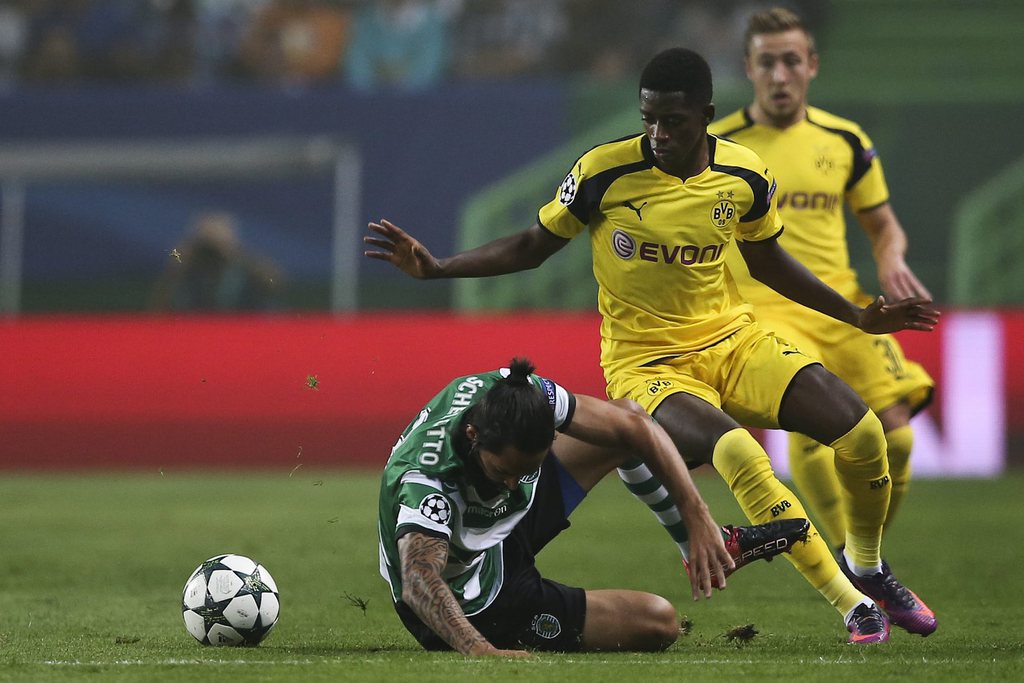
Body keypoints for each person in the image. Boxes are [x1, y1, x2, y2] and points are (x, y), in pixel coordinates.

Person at [365, 47, 941, 643]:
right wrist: (439, 269)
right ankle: (853, 608)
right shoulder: (603, 173)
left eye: (674, 121)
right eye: (649, 120)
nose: (659, 134)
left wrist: (854, 314)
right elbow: (533, 245)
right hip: (646, 363)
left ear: (706, 115)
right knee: (739, 453)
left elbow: (767, 259)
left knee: (864, 433)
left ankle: (867, 567)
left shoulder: (746, 174)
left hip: (734, 340)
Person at [378, 357, 810, 655]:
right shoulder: (429, 483)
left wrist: (697, 514)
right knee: (661, 623)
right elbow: (418, 582)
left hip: (499, 533)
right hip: (476, 599)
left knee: (622, 416)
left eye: (525, 471)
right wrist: (479, 648)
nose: (513, 485)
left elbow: (636, 426)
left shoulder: (520, 394)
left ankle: (715, 546)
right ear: (473, 436)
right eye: (503, 472)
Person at [708, 7, 934, 558]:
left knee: (898, 435)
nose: (779, 75)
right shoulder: (716, 147)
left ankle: (865, 557)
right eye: (767, 63)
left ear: (812, 65)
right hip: (765, 310)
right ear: (749, 68)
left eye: (791, 61)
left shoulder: (846, 141)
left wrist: (891, 260)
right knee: (814, 433)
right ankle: (857, 566)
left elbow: (882, 226)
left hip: (842, 305)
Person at [150, 211, 284, 312]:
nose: (211, 253)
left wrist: (236, 254)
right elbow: (161, 305)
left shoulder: (243, 268)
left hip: (236, 328)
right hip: (192, 329)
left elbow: (274, 282)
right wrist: (180, 260)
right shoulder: (186, 268)